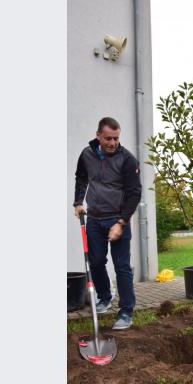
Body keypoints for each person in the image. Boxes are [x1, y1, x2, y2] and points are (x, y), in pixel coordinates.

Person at [73, 117, 141, 330]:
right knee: (95, 262)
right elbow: (81, 177)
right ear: (98, 136)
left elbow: (134, 193)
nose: (112, 143)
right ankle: (105, 297)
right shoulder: (86, 154)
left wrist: (121, 222)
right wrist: (78, 202)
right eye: (108, 138)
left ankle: (126, 311)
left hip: (117, 218)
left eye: (116, 138)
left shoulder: (127, 160)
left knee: (122, 267)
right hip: (94, 218)